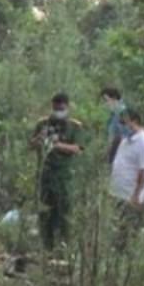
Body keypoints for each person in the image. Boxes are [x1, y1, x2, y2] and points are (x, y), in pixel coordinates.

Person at [29, 92, 86, 252]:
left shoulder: (75, 126)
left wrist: (57, 145)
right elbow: (31, 145)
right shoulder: (43, 123)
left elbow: (77, 149)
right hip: (45, 176)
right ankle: (46, 246)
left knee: (64, 213)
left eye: (61, 108)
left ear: (67, 107)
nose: (58, 111)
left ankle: (64, 247)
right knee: (45, 212)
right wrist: (40, 139)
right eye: (55, 108)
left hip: (64, 177)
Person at [109, 107, 144, 216]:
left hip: (131, 197)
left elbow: (143, 172)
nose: (122, 127)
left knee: (129, 228)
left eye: (124, 123)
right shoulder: (125, 140)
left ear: (134, 121)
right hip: (117, 193)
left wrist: (136, 196)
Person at [102, 86, 130, 163]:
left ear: (114, 98)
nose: (105, 104)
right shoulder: (114, 114)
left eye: (106, 100)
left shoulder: (123, 113)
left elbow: (128, 136)